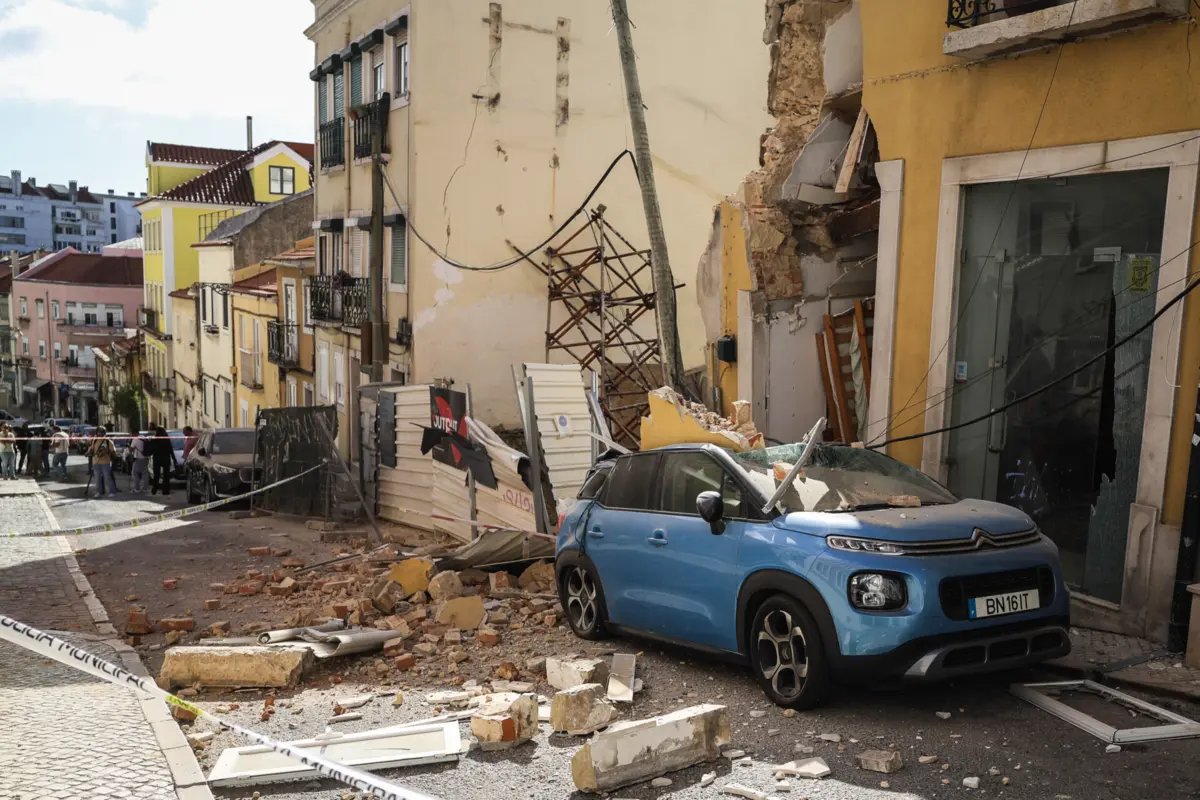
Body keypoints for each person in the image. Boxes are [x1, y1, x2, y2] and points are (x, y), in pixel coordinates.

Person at [87, 426, 117, 498]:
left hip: (105, 462)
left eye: (103, 432)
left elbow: (114, 452)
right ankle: (98, 492)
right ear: (97, 432)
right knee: (97, 479)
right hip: (96, 462)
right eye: (99, 431)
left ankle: (112, 492)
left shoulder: (108, 441)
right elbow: (91, 449)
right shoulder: (95, 440)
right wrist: (89, 452)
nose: (101, 433)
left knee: (108, 478)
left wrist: (106, 451)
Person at [149, 425, 177, 496]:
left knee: (156, 475)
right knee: (166, 476)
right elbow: (170, 449)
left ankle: (154, 489)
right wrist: (174, 459)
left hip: (157, 459)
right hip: (165, 458)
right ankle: (166, 490)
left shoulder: (155, 439)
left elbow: (151, 449)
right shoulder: (166, 439)